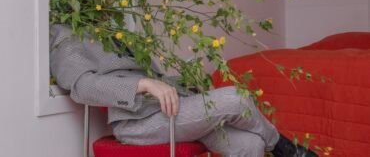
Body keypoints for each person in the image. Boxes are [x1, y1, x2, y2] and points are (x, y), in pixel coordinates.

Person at [50, 24, 317, 157]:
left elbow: (161, 81)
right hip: (138, 123)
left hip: (171, 112)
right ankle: (289, 150)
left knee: (252, 145)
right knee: (236, 98)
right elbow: (82, 87)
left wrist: (187, 81)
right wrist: (143, 84)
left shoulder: (112, 35)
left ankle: (273, 145)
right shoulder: (65, 39)